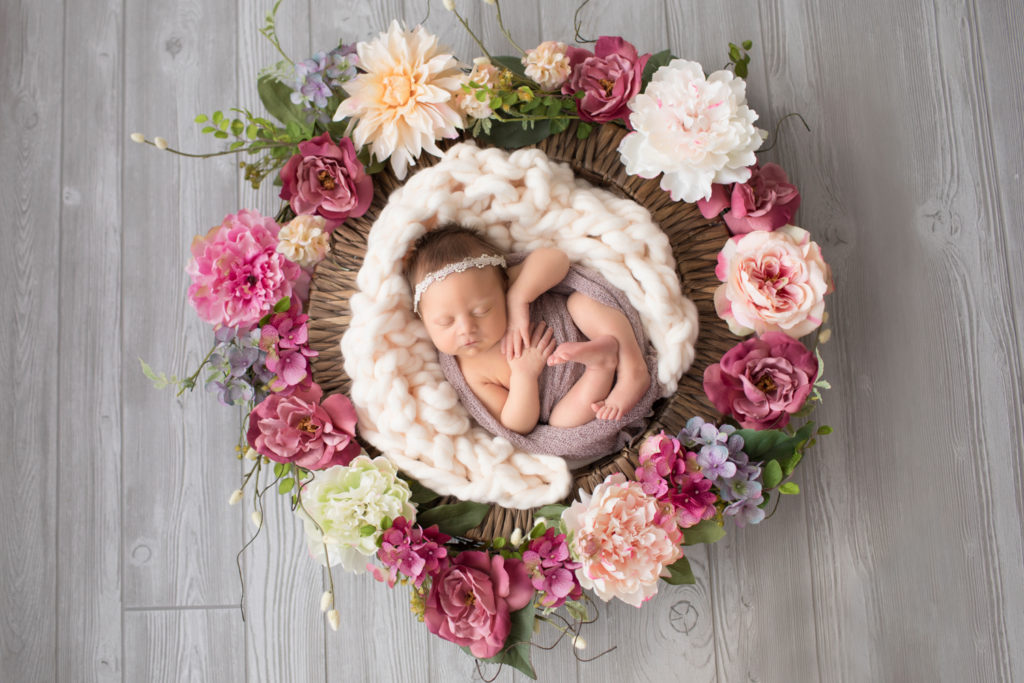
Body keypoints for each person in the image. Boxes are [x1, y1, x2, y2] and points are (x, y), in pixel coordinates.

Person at [405, 225, 650, 435]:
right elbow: (516, 423)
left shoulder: (502, 287)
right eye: (446, 322)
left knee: (583, 302)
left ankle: (632, 369)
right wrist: (524, 376)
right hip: (572, 392)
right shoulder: (470, 371)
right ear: (423, 320)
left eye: (482, 311)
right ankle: (602, 365)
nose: (466, 328)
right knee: (562, 422)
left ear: (501, 286)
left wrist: (519, 297)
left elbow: (556, 258)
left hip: (582, 327)